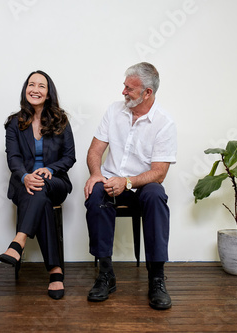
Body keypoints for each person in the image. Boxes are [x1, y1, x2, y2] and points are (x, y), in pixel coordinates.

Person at [84, 62, 177, 310]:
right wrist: (96, 174)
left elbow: (159, 172)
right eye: (124, 86)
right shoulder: (114, 111)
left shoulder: (164, 123)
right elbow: (95, 150)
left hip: (142, 185)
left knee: (156, 195)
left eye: (130, 88)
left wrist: (127, 181)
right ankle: (106, 274)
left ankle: (156, 279)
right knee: (95, 193)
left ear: (148, 92)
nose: (123, 92)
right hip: (111, 181)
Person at [0, 70, 76, 300]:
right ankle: (55, 271)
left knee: (41, 186)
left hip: (56, 182)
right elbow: (13, 158)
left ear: (48, 92)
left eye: (41, 86)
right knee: (38, 195)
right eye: (31, 85)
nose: (35, 89)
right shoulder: (14, 122)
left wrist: (49, 169)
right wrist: (24, 176)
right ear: (25, 90)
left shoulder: (61, 120)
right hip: (24, 185)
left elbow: (69, 157)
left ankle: (19, 241)